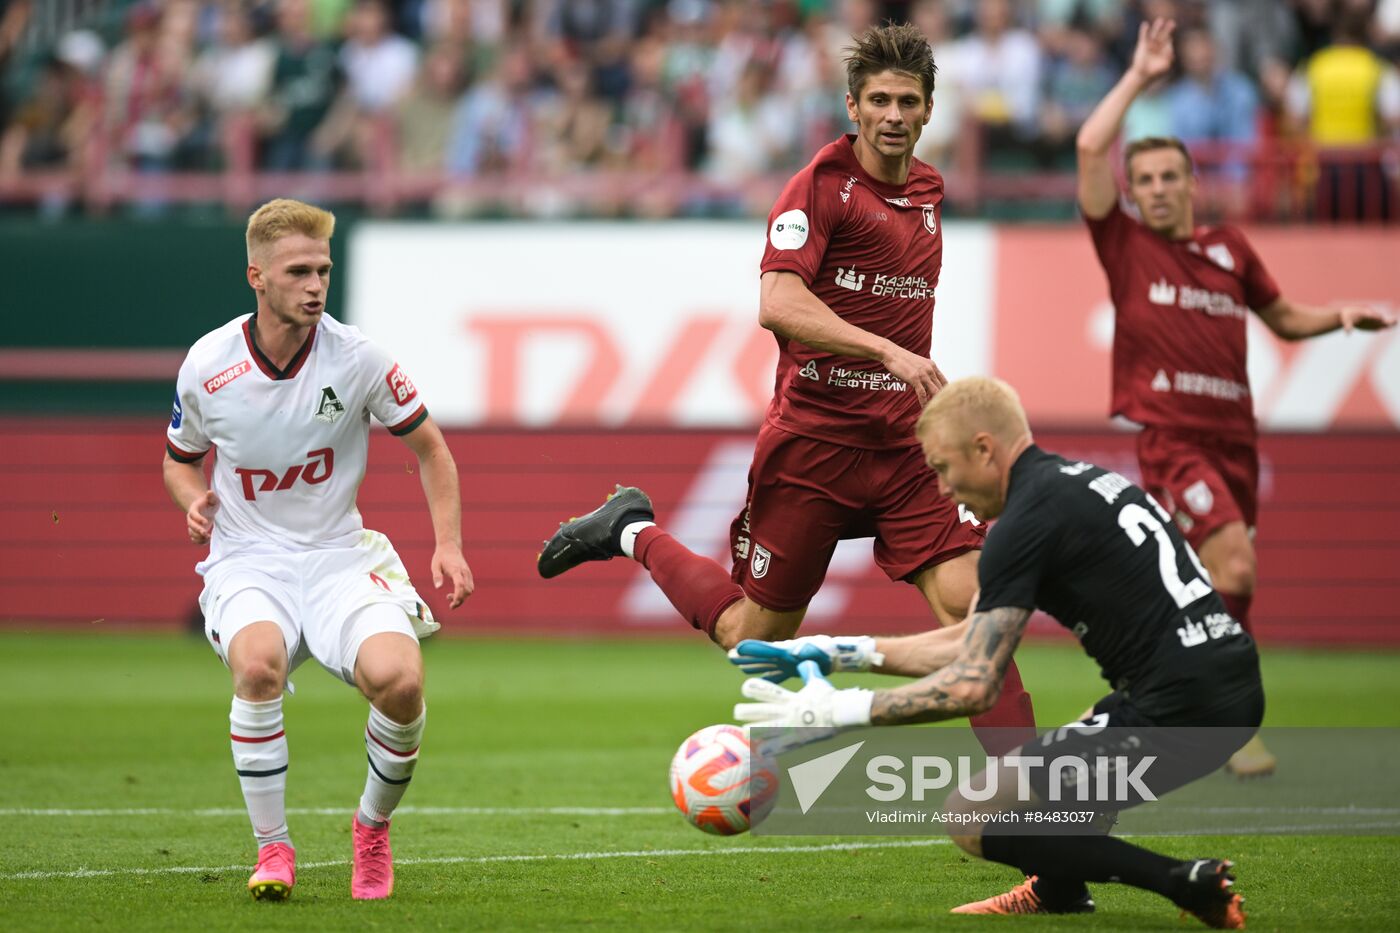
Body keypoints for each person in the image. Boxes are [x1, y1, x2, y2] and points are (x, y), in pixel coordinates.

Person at [536, 22, 1037, 757]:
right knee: (753, 638)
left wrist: (900, 374)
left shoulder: (929, 189)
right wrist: (886, 352)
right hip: (815, 445)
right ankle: (631, 529)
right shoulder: (819, 188)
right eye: (879, 100)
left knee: (978, 617)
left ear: (930, 110)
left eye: (907, 100)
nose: (893, 115)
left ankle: (1043, 822)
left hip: (907, 450)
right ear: (852, 107)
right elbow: (778, 302)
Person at [731, 376, 1260, 930]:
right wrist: (840, 652)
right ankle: (1060, 892)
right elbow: (970, 638)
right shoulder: (1075, 483)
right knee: (1069, 765)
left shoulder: (1025, 522)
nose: (941, 489)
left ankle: (1184, 881)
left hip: (1180, 709)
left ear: (984, 449)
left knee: (971, 813)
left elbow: (972, 685)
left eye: (942, 468)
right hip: (1225, 686)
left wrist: (846, 711)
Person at [1074, 18, 1396, 776]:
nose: (1153, 191)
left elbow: (1282, 317)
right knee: (1237, 570)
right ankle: (1214, 714)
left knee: (1216, 582)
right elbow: (1091, 149)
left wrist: (1338, 316)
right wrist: (1141, 77)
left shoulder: (1230, 249)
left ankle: (1178, 701)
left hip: (1235, 439)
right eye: (1142, 181)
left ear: (1192, 183)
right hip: (1173, 437)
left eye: (1165, 178)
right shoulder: (1125, 246)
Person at [162, 198, 473, 901]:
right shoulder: (208, 365)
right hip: (248, 559)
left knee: (402, 681)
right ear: (256, 276)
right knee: (258, 665)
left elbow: (432, 449)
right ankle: (274, 848)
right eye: (298, 270)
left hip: (340, 555)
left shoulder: (359, 358)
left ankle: (371, 827)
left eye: (324, 270)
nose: (314, 284)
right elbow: (179, 459)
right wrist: (192, 499)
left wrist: (447, 544)